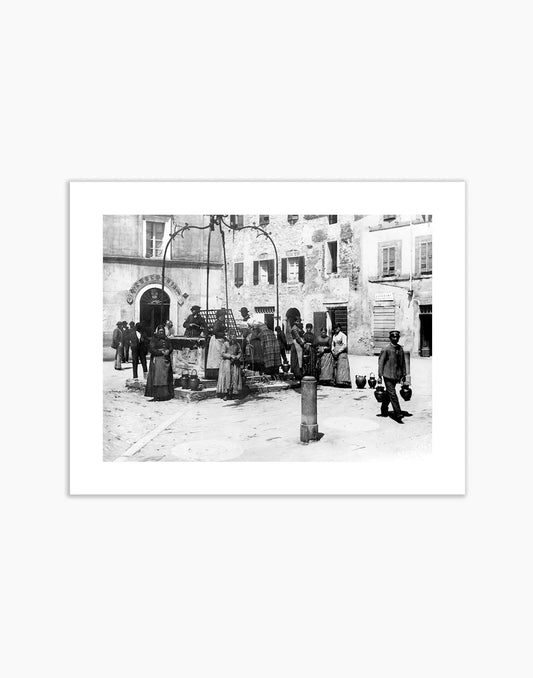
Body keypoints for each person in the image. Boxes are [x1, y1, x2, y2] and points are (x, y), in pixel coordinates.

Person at [377, 330, 407, 424]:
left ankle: (384, 409)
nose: (395, 339)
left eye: (397, 337)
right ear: (390, 338)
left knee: (389, 393)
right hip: (387, 375)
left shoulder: (400, 349)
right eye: (393, 337)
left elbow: (403, 363)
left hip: (396, 375)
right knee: (393, 394)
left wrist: (404, 374)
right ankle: (398, 413)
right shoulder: (386, 349)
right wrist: (379, 375)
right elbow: (381, 362)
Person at [245, 309, 281, 377]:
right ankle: (272, 369)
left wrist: (248, 338)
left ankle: (268, 370)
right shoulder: (258, 323)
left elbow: (254, 335)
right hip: (270, 334)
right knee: (272, 351)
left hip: (265, 335)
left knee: (268, 351)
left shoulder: (255, 324)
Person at [144, 325, 174, 401]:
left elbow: (170, 347)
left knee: (165, 378)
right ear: (157, 332)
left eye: (162, 331)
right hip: (158, 361)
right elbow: (151, 349)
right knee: (158, 379)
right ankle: (157, 395)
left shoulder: (167, 339)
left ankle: (165, 395)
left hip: (166, 361)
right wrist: (160, 352)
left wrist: (168, 351)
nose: (161, 333)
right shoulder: (154, 339)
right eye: (160, 331)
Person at [217, 332, 243, 400]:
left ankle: (233, 393)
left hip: (235, 363)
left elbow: (240, 352)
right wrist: (230, 356)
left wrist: (237, 357)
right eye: (231, 337)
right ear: (229, 337)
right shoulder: (225, 344)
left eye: (234, 337)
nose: (233, 339)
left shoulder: (237, 344)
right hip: (227, 363)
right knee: (227, 378)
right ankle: (226, 394)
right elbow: (222, 353)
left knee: (234, 377)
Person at [205, 309, 226, 379]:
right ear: (220, 316)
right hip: (216, 341)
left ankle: (219, 373)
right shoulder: (217, 323)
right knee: (216, 358)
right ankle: (215, 374)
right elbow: (215, 332)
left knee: (218, 358)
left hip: (219, 340)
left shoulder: (221, 322)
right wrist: (224, 334)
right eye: (223, 316)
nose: (224, 317)